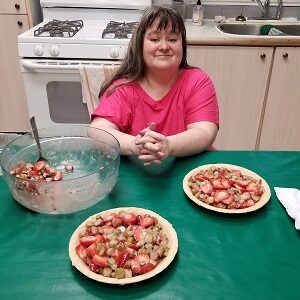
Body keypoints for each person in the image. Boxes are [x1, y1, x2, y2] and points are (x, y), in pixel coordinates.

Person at [91, 5, 219, 166]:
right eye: (154, 39)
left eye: (172, 39)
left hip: (194, 170)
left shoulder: (197, 81)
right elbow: (97, 131)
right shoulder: (124, 87)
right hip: (140, 173)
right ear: (140, 45)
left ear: (182, 45)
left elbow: (205, 132)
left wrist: (168, 145)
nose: (164, 46)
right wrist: (136, 145)